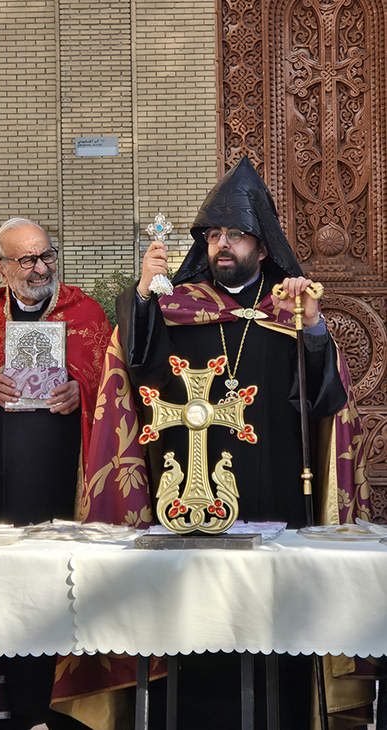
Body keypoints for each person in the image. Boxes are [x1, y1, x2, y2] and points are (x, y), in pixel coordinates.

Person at [78, 157, 374, 730]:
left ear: (261, 247)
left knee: (274, 630)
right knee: (195, 626)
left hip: (275, 492)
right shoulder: (177, 308)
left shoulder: (288, 310)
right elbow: (137, 374)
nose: (222, 245)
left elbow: (325, 404)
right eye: (213, 235)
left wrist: (314, 328)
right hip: (190, 494)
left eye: (235, 234)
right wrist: (143, 296)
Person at [0, 218, 113, 730]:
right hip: (2, 491)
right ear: (1, 269)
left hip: (66, 483)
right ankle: (10, 707)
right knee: (12, 589)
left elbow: (114, 386)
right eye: (27, 260)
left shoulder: (87, 313)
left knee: (62, 586)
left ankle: (62, 707)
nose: (40, 268)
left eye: (47, 255)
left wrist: (82, 389)